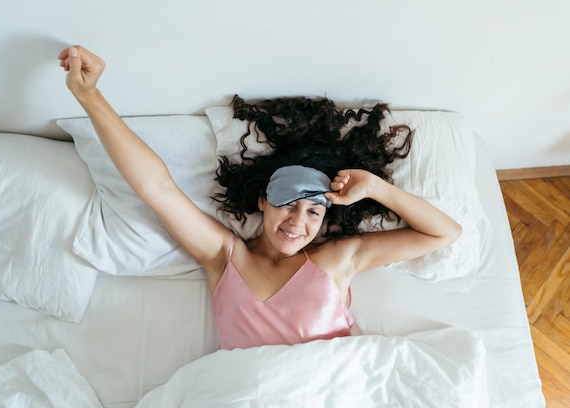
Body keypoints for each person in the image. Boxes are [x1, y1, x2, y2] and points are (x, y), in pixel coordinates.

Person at [58, 45, 463, 350]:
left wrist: (375, 187)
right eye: (288, 203)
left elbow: (442, 234)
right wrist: (90, 97)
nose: (298, 221)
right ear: (263, 201)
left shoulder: (340, 259)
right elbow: (156, 188)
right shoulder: (224, 255)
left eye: (314, 211)